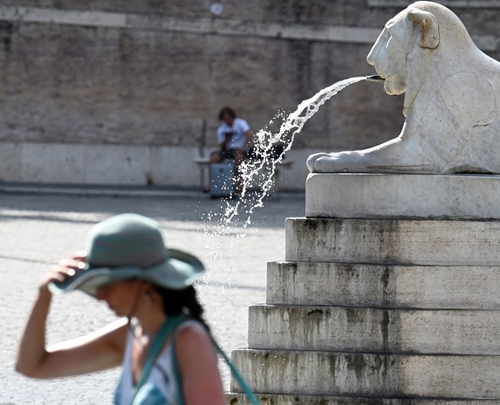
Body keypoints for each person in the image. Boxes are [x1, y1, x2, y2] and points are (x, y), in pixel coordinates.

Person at [16, 213, 226, 405]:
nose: (100, 295)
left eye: (108, 284)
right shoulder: (130, 335)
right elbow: (32, 366)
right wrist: (44, 295)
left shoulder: (188, 341)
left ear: (143, 282)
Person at [210, 107, 252, 192]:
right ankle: (212, 184)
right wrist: (226, 139)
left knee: (239, 159)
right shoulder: (222, 129)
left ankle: (239, 184)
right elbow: (222, 147)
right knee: (214, 158)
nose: (227, 120)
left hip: (239, 149)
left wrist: (243, 147)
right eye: (225, 119)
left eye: (228, 118)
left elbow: (249, 134)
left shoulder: (240, 123)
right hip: (228, 150)